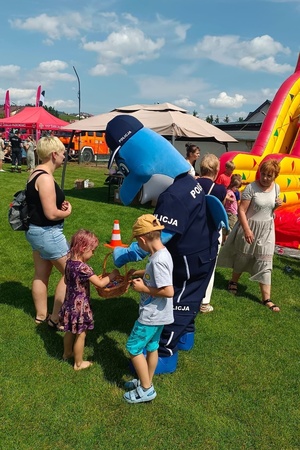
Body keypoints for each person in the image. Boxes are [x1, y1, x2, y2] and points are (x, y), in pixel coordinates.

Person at [105, 115, 221, 373]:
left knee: (177, 302)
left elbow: (158, 238)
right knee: (191, 299)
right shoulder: (187, 181)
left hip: (190, 259)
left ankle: (165, 356)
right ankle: (186, 338)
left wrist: (126, 254)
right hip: (205, 251)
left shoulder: (173, 197)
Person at [217, 159, 282, 312]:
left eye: (269, 176)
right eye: (263, 174)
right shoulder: (251, 188)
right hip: (249, 226)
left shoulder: (276, 188)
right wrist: (246, 230)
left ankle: (267, 298)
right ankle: (233, 281)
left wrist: (276, 206)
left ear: (275, 176)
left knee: (265, 261)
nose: (265, 178)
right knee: (242, 257)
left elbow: (269, 210)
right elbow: (241, 210)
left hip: (267, 229)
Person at [123, 215, 174, 403]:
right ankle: (147, 380)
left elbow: (169, 290)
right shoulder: (162, 254)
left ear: (143, 239)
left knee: (133, 348)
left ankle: (146, 389)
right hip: (160, 315)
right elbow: (158, 275)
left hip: (151, 315)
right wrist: (140, 272)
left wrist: (143, 288)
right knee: (152, 347)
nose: (138, 245)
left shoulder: (158, 260)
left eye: (137, 241)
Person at [25, 136, 72, 328]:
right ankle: (56, 318)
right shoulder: (45, 178)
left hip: (36, 232)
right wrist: (67, 211)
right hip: (48, 232)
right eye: (62, 153)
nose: (64, 156)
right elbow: (51, 213)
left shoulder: (35, 173)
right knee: (71, 274)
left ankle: (41, 316)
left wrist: (59, 205)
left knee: (40, 274)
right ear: (54, 155)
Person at [58, 229, 119, 370]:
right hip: (80, 307)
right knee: (81, 334)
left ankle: (67, 353)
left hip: (69, 303)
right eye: (93, 251)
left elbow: (67, 282)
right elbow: (100, 284)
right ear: (83, 248)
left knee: (69, 330)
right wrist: (113, 275)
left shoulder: (69, 263)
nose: (93, 254)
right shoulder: (83, 268)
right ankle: (78, 363)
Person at [198, 153, 227, 313]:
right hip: (211, 231)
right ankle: (204, 302)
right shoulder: (220, 189)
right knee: (210, 266)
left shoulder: (192, 184)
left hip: (193, 229)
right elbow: (220, 210)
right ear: (216, 171)